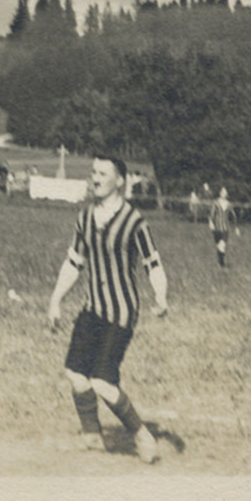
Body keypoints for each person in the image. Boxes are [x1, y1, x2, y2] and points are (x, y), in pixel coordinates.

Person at [46, 154, 169, 463]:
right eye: (93, 172)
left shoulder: (134, 221)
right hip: (93, 308)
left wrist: (161, 296)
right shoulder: (85, 218)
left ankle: (142, 435)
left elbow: (153, 263)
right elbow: (75, 262)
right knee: (75, 374)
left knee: (102, 381)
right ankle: (91, 436)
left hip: (122, 312)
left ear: (120, 180)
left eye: (103, 173)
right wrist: (56, 299)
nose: (95, 178)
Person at [208, 187, 235, 268]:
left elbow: (233, 216)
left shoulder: (229, 204)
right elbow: (211, 214)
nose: (224, 194)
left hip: (226, 228)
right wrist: (211, 223)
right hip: (217, 227)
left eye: (225, 192)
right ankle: (220, 263)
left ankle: (221, 264)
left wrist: (235, 226)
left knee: (222, 245)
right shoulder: (216, 203)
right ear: (220, 193)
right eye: (223, 192)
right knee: (219, 246)